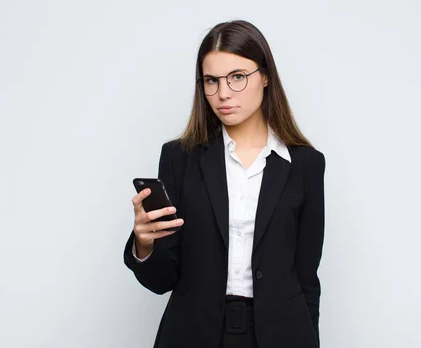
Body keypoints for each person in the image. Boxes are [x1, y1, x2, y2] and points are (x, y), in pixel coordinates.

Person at [123, 20, 326, 348]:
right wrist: (145, 246)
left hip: (281, 335)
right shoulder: (180, 158)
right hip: (193, 334)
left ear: (265, 77)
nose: (223, 93)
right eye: (211, 81)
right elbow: (163, 280)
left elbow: (306, 279)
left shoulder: (305, 165)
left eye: (237, 77)